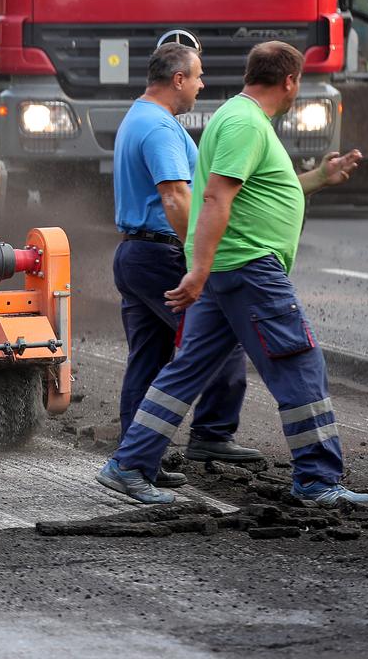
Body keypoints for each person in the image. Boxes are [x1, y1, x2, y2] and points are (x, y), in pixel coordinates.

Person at [98, 41, 366, 507]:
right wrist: (197, 268)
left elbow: (250, 192)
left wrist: (320, 178)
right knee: (299, 364)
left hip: (230, 268)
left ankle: (129, 463)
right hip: (248, 268)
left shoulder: (234, 117)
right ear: (289, 82)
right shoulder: (244, 123)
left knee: (186, 370)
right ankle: (318, 480)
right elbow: (216, 198)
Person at [112, 42, 261, 491]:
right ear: (178, 79)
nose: (202, 84)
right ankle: (212, 434)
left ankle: (136, 461)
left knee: (149, 359)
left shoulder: (137, 116)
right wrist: (199, 256)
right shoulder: (159, 128)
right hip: (160, 253)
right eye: (198, 76)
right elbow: (175, 196)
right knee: (218, 339)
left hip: (135, 253)